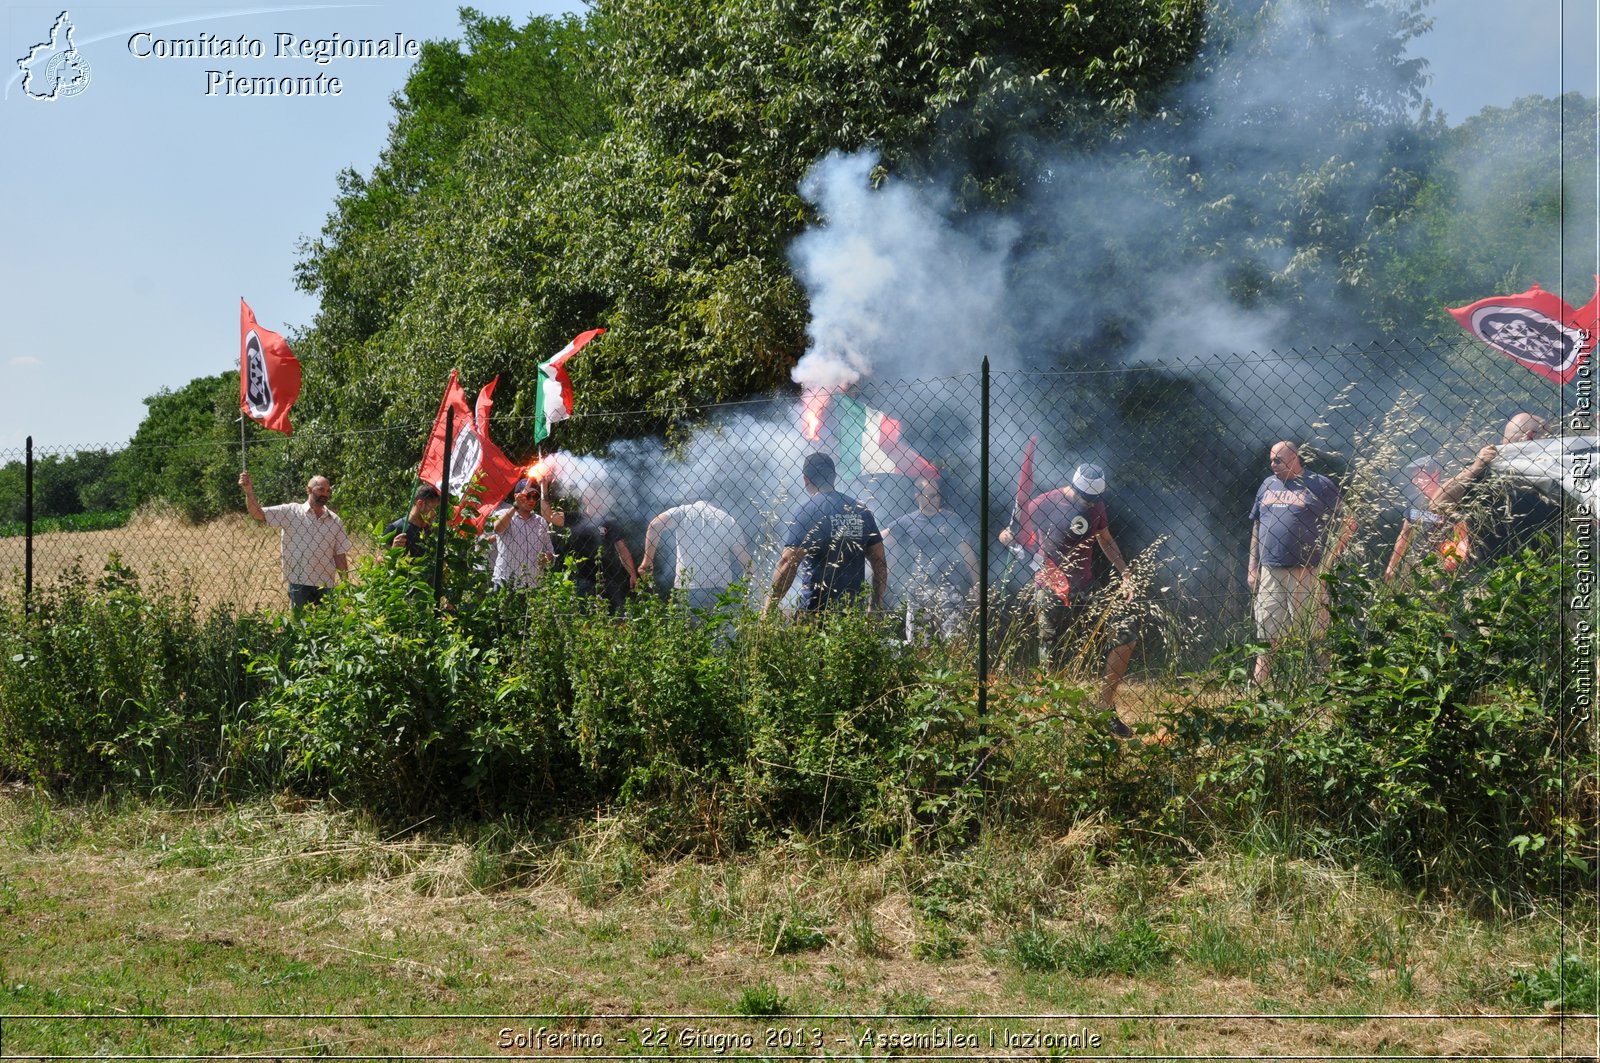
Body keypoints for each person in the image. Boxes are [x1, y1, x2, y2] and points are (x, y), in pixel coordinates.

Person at [1000, 462, 1138, 736]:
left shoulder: (1096, 506)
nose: (1090, 505)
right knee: (1051, 658)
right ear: (1073, 488)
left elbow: (1106, 539)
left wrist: (1126, 574)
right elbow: (1011, 534)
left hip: (1085, 586)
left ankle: (1103, 710)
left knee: (1126, 635)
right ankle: (1057, 722)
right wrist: (1010, 537)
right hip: (1050, 587)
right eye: (1086, 499)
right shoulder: (1043, 504)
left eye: (1094, 501)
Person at [1247, 442, 1355, 685]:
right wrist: (1252, 568)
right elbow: (1256, 526)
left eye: (1278, 460)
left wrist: (1327, 563)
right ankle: (1257, 688)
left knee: (1317, 631)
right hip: (1270, 571)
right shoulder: (1267, 484)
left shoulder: (1319, 484)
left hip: (1307, 571)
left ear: (1295, 458)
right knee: (1267, 632)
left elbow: (1349, 522)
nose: (1272, 465)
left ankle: (1332, 686)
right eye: (1271, 460)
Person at [1429, 413, 1564, 563]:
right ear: (1530, 436)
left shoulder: (1552, 470)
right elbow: (1437, 504)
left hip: (1542, 570)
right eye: (1548, 438)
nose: (1553, 444)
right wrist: (1474, 469)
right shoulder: (1485, 470)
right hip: (1493, 574)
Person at [764, 452, 887, 614]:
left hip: (815, 611)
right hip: (852, 614)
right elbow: (879, 562)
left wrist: (768, 609)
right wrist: (875, 605)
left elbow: (788, 563)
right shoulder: (861, 511)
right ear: (834, 476)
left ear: (805, 479)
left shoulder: (806, 511)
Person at [240, 470, 350, 614]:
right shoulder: (291, 512)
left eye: (328, 491)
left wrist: (345, 584)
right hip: (299, 581)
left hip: (326, 583)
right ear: (309, 490)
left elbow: (339, 554)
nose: (325, 494)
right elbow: (257, 514)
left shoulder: (334, 520)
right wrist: (249, 492)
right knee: (301, 626)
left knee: (328, 627)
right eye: (321, 489)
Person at [883, 476, 979, 641]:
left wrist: (978, 584)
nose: (936, 499)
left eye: (937, 495)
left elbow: (967, 552)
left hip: (949, 588)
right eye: (931, 495)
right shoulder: (907, 521)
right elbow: (880, 539)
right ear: (918, 496)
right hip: (918, 589)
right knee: (919, 643)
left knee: (954, 641)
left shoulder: (952, 520)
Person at [636, 499, 751, 613]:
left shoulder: (683, 512)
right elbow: (746, 561)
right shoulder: (727, 519)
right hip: (720, 589)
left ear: (692, 499)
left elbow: (654, 525)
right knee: (720, 629)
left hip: (689, 588)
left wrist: (647, 561)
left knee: (692, 628)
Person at [1384, 458, 1468, 581]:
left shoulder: (1451, 501)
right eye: (1414, 477)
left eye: (1419, 476)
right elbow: (1405, 534)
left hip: (1441, 568)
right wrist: (1391, 566)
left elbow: (1462, 537)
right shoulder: (1414, 501)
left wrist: (1454, 558)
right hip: (1414, 566)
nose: (1414, 481)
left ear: (1435, 474)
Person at [562, 498, 637, 614]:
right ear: (585, 499)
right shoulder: (575, 517)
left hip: (608, 579)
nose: (599, 500)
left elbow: (622, 549)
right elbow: (549, 515)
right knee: (584, 619)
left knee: (616, 617)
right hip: (583, 579)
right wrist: (543, 488)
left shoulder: (610, 522)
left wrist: (632, 574)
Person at [491, 478, 557, 591]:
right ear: (517, 496)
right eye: (528, 496)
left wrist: (548, 557)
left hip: (532, 585)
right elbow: (498, 528)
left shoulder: (541, 521)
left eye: (535, 496)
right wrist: (515, 506)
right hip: (506, 583)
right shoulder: (504, 514)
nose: (532, 500)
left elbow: (550, 551)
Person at [383, 484, 441, 560]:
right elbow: (378, 561)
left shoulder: (432, 531)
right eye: (433, 508)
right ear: (420, 504)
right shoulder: (395, 528)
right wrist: (393, 551)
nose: (435, 513)